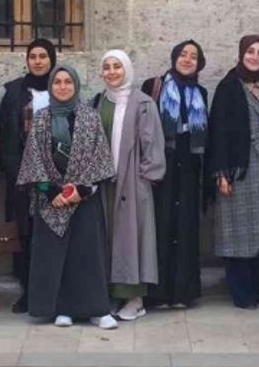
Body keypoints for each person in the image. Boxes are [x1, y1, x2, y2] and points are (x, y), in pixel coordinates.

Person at [17, 65, 118, 329]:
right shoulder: (41, 119)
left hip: (84, 198)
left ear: (76, 85)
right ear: (51, 86)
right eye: (57, 82)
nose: (62, 87)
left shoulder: (90, 117)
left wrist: (80, 190)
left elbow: (101, 158)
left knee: (87, 254)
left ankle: (97, 309)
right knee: (54, 257)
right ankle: (63, 309)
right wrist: (51, 191)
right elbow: (32, 161)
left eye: (68, 82)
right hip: (51, 200)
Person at [208, 35, 259, 309]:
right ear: (241, 54)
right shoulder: (228, 87)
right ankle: (242, 292)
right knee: (238, 231)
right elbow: (218, 132)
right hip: (241, 166)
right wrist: (222, 173)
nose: (255, 57)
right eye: (250, 51)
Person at [94, 49, 165, 321]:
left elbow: (153, 144)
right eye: (107, 67)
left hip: (133, 183)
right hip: (105, 183)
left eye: (117, 66)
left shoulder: (143, 103)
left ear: (126, 70)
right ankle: (115, 294)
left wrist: (144, 177)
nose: (112, 72)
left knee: (134, 239)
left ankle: (135, 299)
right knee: (110, 238)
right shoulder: (99, 102)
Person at [140, 39, 208, 310]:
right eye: (183, 54)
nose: (187, 60)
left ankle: (183, 292)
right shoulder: (154, 86)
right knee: (160, 225)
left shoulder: (201, 92)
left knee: (186, 228)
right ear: (174, 58)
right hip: (162, 166)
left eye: (194, 56)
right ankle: (158, 293)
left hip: (189, 166)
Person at [0, 39, 57, 313]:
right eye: (33, 56)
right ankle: (28, 291)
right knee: (24, 235)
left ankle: (52, 290)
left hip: (54, 178)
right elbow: (5, 133)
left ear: (51, 59)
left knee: (51, 235)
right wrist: (15, 171)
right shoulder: (15, 93)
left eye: (43, 56)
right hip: (22, 179)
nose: (38, 61)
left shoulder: (61, 87)